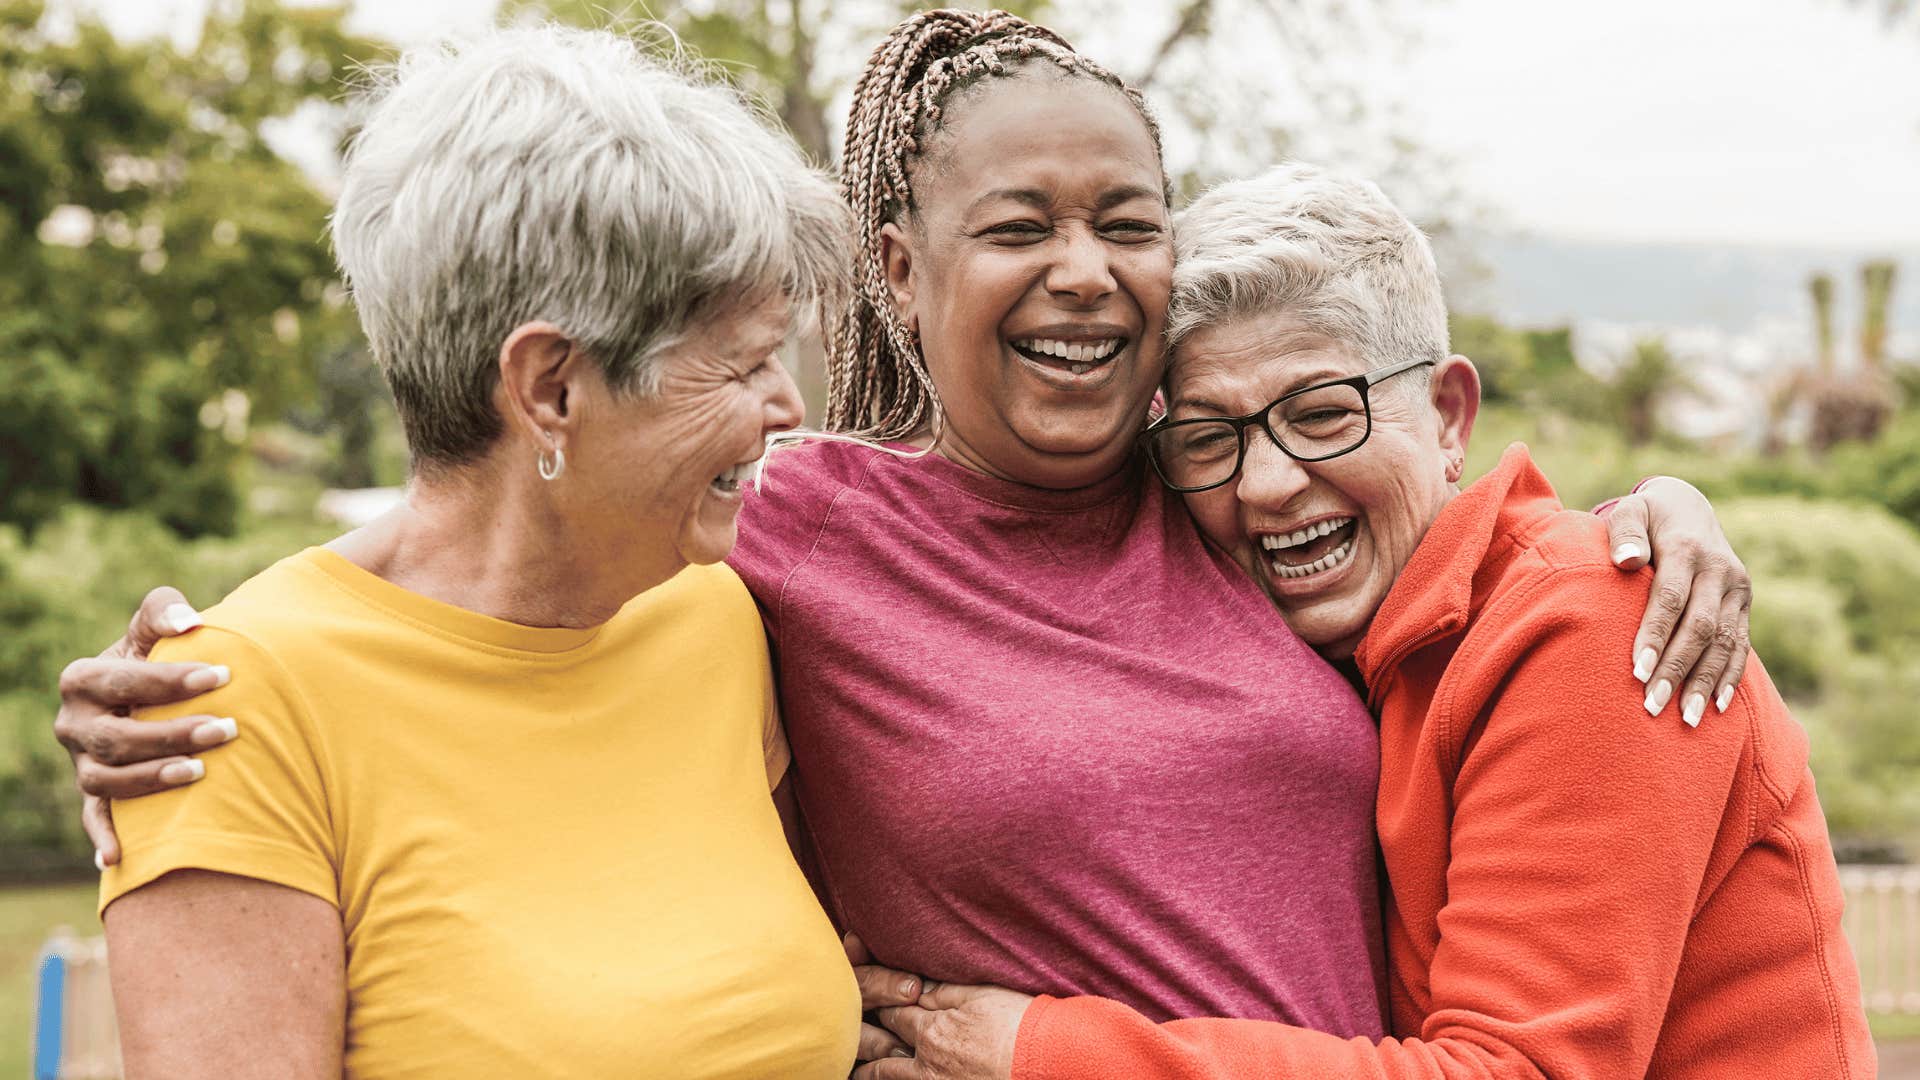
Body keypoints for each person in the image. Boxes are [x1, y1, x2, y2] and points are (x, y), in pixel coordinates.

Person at [55, 9, 1755, 1068]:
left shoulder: (1217, 494)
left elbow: (1416, 517)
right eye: (1017, 227)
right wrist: (195, 680)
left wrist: (1649, 522)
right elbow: (472, 550)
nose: (1088, 274)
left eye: (1129, 226)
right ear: (894, 271)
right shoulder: (781, 550)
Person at [849, 165, 1875, 1079]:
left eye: (1323, 413)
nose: (1267, 482)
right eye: (1209, 438)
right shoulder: (1344, 645)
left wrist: (1039, 1052)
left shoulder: (1592, 623)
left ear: (1449, 417)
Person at [84, 26, 861, 1079]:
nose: (788, 408)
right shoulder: (228, 709)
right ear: (550, 388)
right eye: (746, 365)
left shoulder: (716, 609)